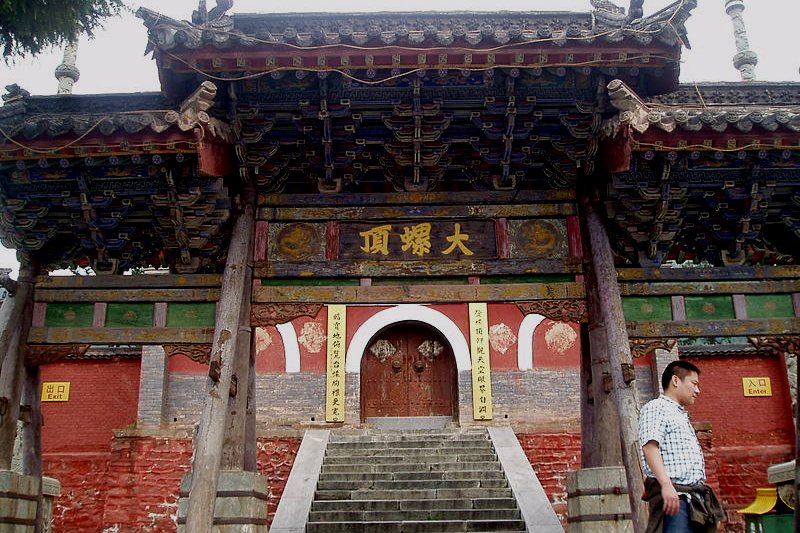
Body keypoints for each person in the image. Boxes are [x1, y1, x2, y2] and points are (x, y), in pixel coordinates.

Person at [638, 360, 724, 533]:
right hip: (675, 496)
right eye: (694, 383)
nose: (697, 390)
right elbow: (650, 446)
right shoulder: (657, 407)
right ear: (676, 381)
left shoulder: (680, 414)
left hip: (694, 498)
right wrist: (666, 485)